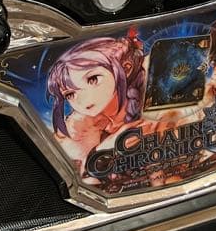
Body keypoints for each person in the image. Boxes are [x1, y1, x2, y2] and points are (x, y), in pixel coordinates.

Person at [46, 35, 145, 172]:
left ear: (126, 69)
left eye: (93, 80)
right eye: (70, 94)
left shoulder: (149, 92)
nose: (82, 100)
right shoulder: (80, 126)